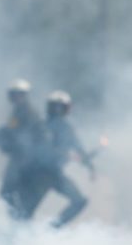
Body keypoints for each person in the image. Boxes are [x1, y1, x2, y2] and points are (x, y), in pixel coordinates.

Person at [40, 90, 95, 227]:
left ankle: (47, 230)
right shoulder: (62, 127)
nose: (57, 110)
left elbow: (78, 150)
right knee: (79, 201)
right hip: (51, 173)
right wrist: (89, 165)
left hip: (43, 173)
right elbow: (79, 149)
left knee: (23, 214)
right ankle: (52, 228)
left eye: (60, 107)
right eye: (55, 107)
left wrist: (88, 165)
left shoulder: (41, 125)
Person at [0, 79, 44, 219]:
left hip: (25, 160)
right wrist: (3, 134)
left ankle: (20, 222)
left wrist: (9, 140)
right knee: (9, 194)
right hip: (20, 158)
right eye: (14, 94)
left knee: (11, 193)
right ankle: (18, 221)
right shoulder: (18, 111)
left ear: (25, 95)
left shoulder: (28, 112)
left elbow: (27, 137)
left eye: (19, 94)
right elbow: (13, 130)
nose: (16, 97)